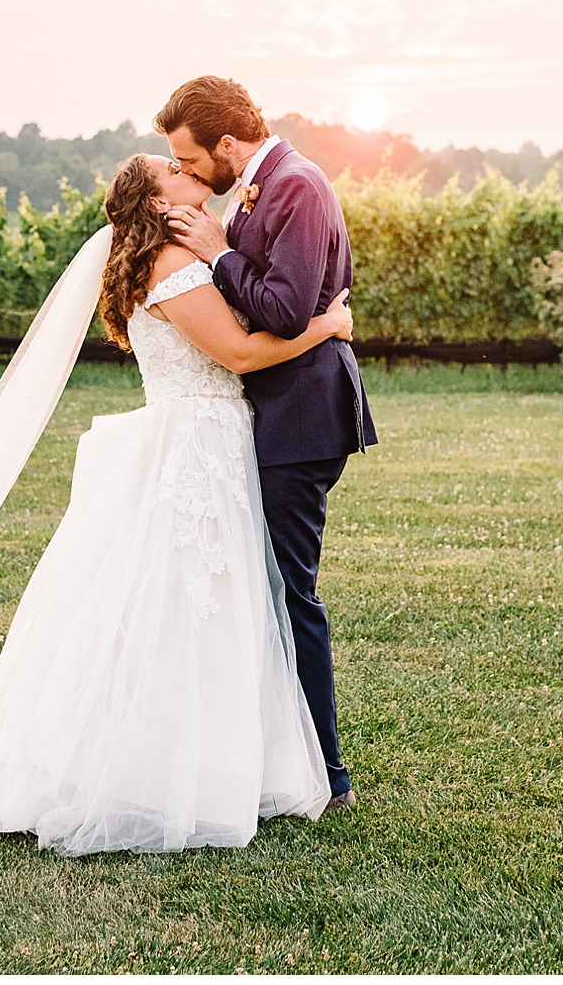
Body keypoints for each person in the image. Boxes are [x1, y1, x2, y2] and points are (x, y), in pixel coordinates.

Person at [0, 152, 354, 854]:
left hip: (211, 439)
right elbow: (238, 353)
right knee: (184, 608)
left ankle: (218, 762)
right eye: (171, 168)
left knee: (211, 609)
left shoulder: (175, 254)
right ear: (157, 201)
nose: (185, 168)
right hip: (198, 444)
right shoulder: (169, 264)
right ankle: (155, 769)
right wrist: (326, 325)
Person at [156, 75, 376, 811]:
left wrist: (220, 252)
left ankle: (329, 775)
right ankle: (267, 758)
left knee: (288, 590)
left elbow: (283, 312)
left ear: (227, 144)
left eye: (190, 160)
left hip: (302, 417)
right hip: (271, 413)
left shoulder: (298, 186)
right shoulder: (259, 187)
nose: (186, 173)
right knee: (261, 589)